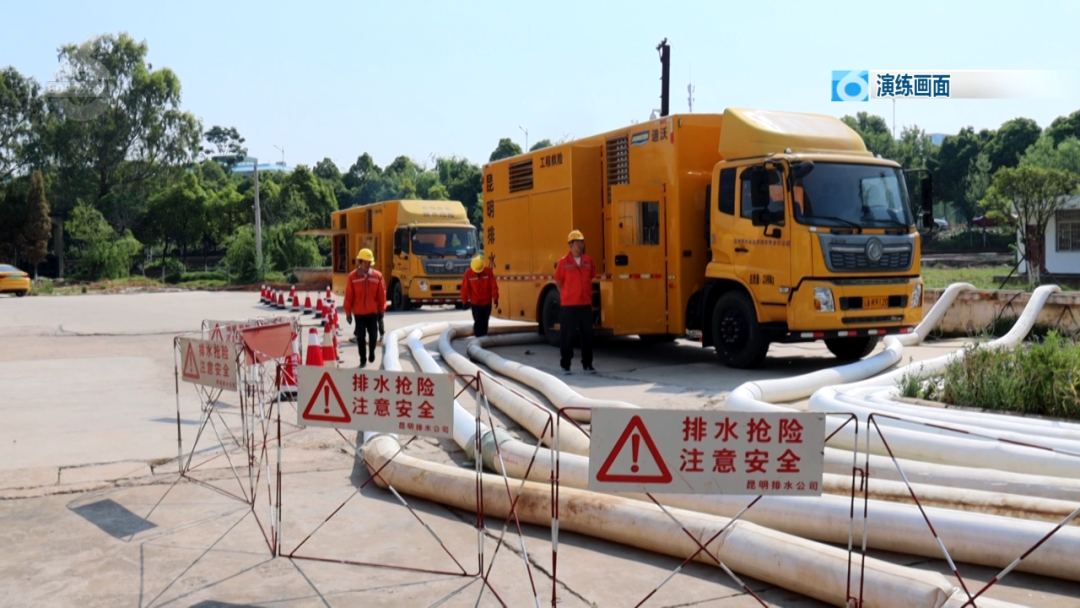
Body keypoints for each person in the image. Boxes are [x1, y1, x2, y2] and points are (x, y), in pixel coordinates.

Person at [554, 230, 597, 375]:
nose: (580, 245)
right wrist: (567, 295)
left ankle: (588, 365)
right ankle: (565, 365)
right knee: (567, 336)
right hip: (569, 305)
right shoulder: (563, 262)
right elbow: (558, 282)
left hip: (585, 304)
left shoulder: (588, 261)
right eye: (577, 243)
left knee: (587, 335)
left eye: (581, 242)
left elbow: (591, 277)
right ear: (570, 245)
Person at [344, 248, 387, 368]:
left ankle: (372, 351)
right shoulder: (352, 277)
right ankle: (362, 359)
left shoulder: (377, 276)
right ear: (360, 262)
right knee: (360, 337)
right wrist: (348, 313)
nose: (367, 265)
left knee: (373, 335)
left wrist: (381, 310)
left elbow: (382, 294)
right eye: (365, 262)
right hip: (359, 313)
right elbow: (348, 296)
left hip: (373, 312)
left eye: (369, 262)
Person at [461, 255, 499, 337]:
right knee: (478, 321)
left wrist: (495, 298)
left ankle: (483, 337)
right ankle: (478, 337)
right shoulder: (468, 274)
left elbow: (493, 286)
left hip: (487, 302)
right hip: (475, 302)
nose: (478, 273)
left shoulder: (488, 272)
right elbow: (465, 288)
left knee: (485, 320)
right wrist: (465, 301)